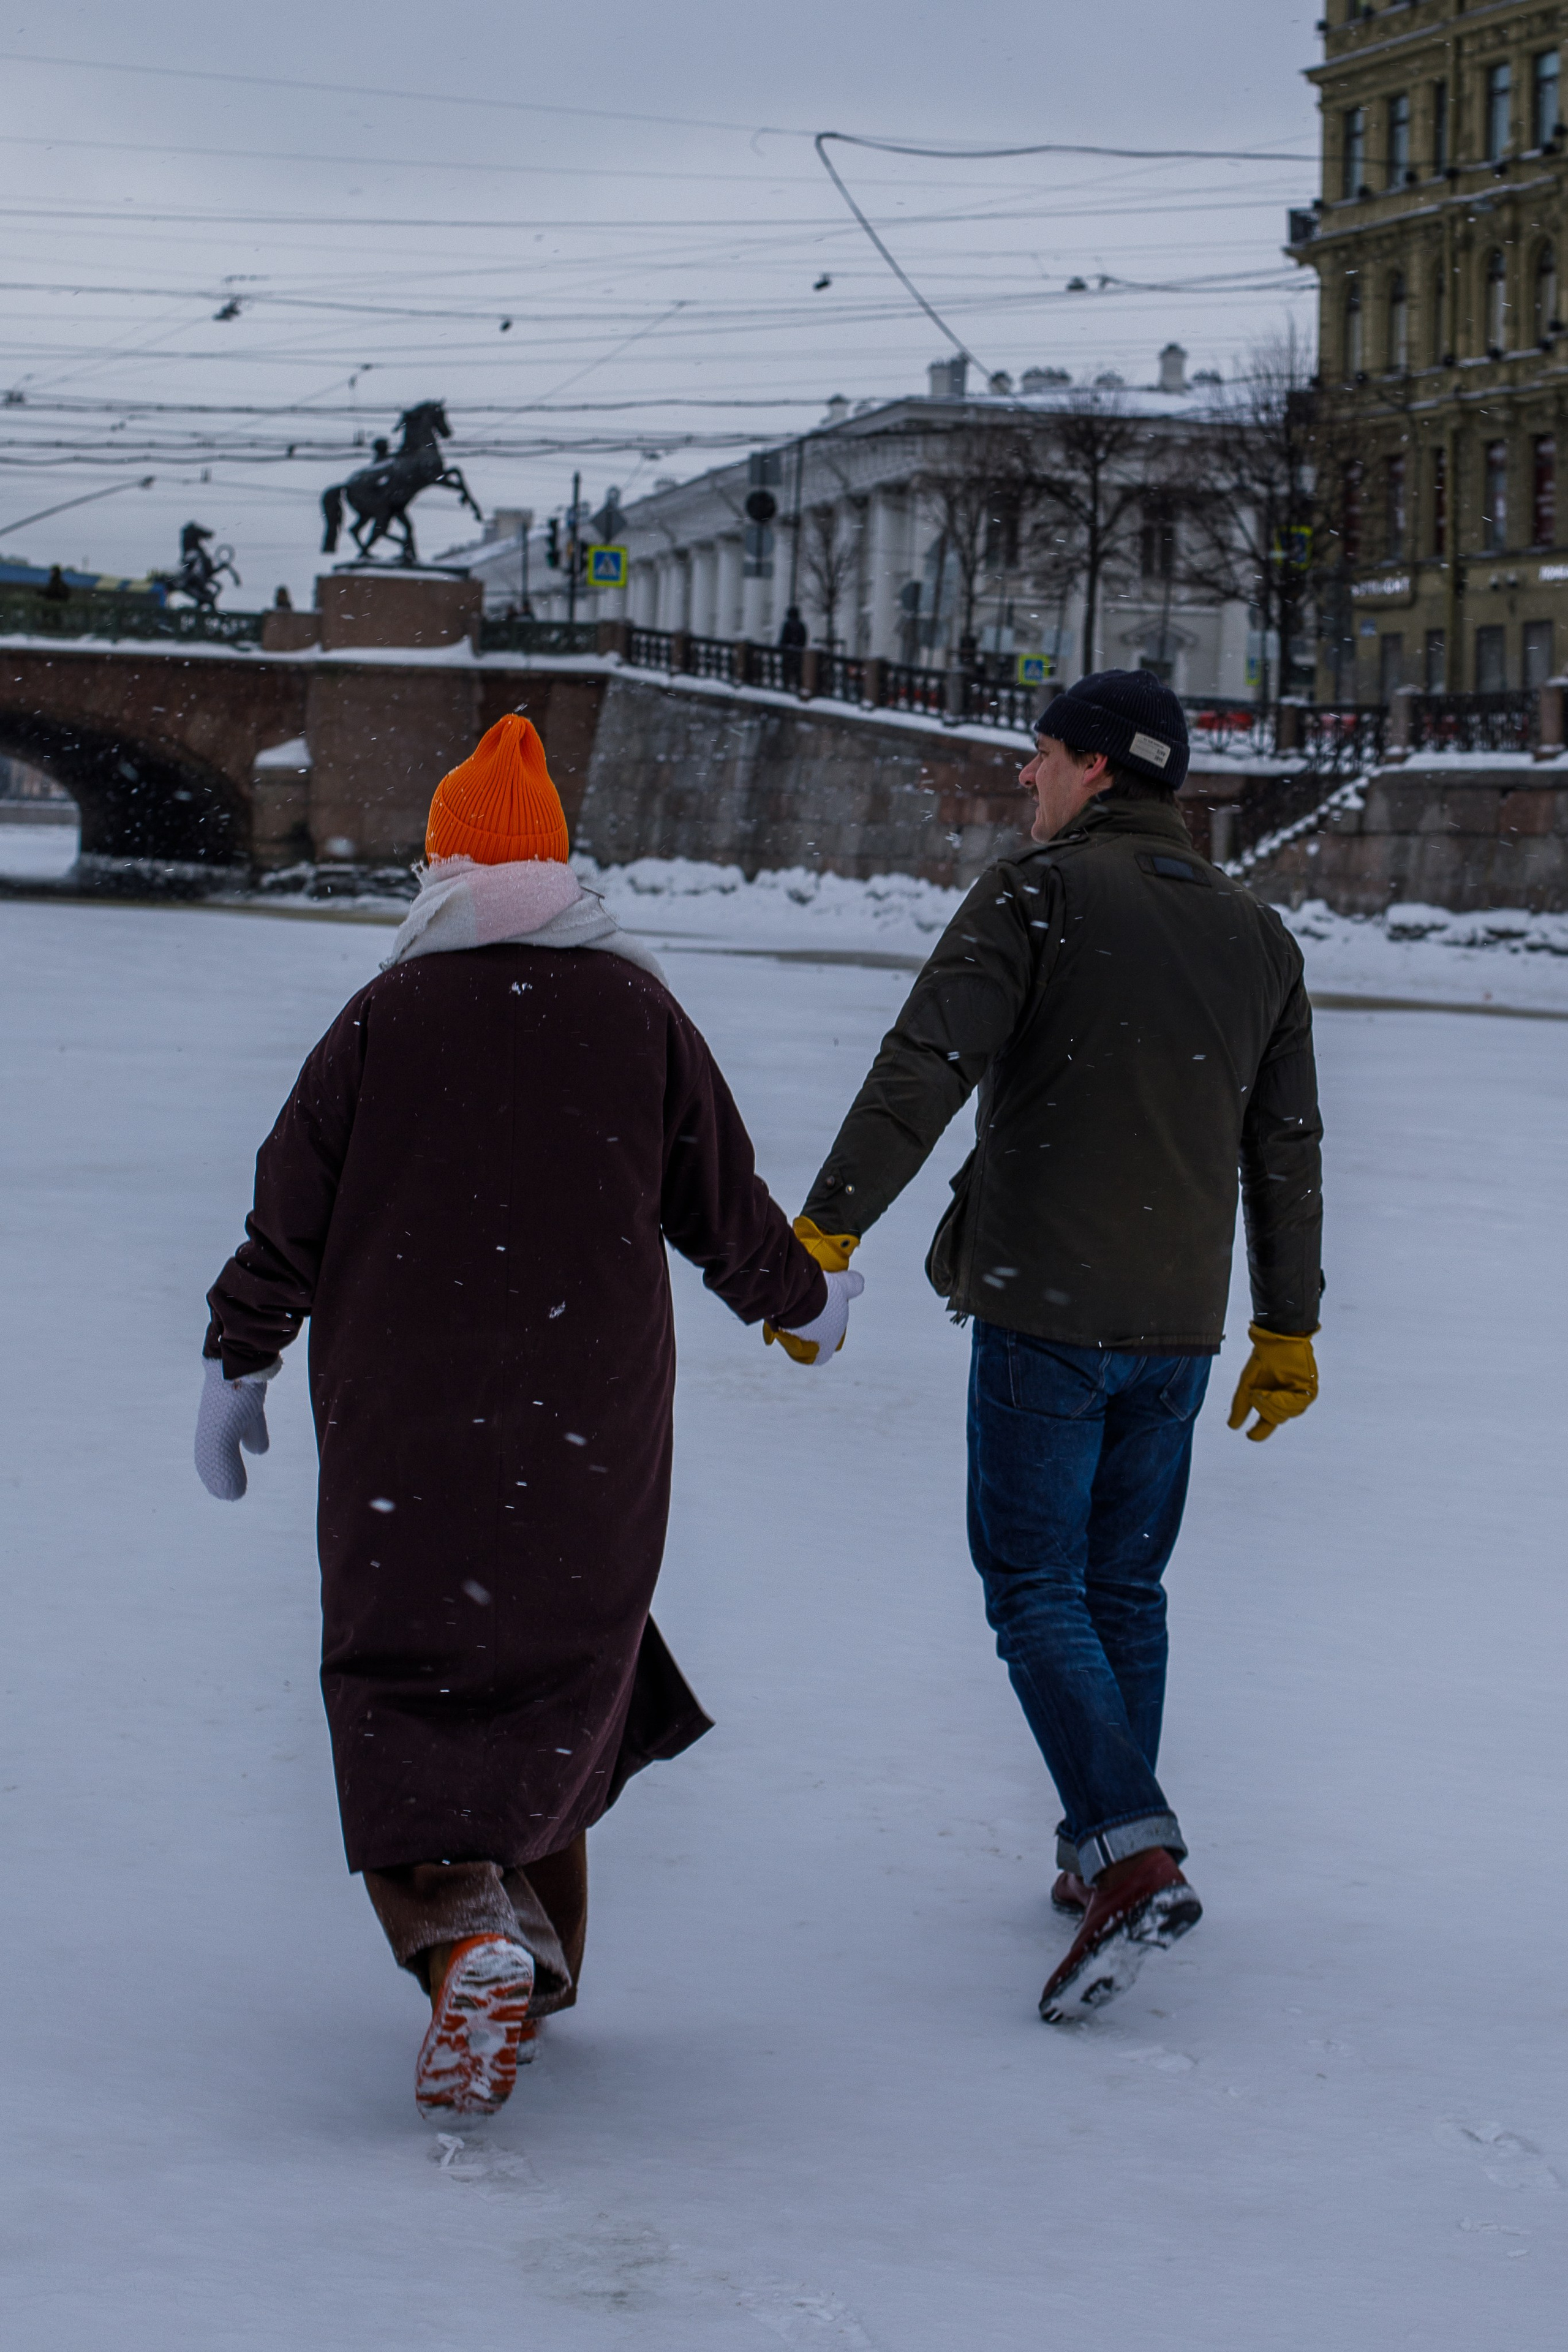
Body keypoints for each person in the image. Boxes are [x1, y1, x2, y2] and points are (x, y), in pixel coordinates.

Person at [195, 714, 862, 2119]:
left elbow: (287, 1216)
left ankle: (461, 1926)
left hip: (402, 1412)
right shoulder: (634, 1012)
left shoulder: (384, 1017)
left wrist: (236, 1361)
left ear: (440, 867)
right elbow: (721, 1203)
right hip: (592, 1407)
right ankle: (529, 1967)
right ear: (561, 869)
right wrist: (797, 1301)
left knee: (400, 1668)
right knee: (566, 1653)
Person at [785, 670, 1322, 2021]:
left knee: (1033, 1588)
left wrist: (823, 1233)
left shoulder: (1036, 897)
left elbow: (924, 1068)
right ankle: (1102, 1849)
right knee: (1121, 1591)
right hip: (1178, 1324)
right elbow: (1284, 1149)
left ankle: (1130, 1853)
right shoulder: (1256, 933)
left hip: (1045, 1309)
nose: (1024, 781)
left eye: (1036, 759)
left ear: (1089, 767)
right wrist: (1284, 1324)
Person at [778, 603, 808, 690]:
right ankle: (798, 687)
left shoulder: (787, 625)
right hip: (798, 655)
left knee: (786, 672)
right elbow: (804, 640)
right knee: (797, 672)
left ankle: (786, 687)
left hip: (788, 655)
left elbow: (783, 640)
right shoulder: (801, 625)